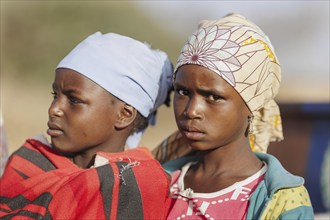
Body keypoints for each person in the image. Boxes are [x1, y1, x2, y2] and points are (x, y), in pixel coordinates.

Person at [0, 32, 173, 219]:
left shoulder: (134, 185)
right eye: (55, 95)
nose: (54, 109)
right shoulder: (30, 163)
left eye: (74, 100)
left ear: (124, 115)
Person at [162, 13, 314, 219]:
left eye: (213, 97)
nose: (191, 111)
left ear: (252, 105)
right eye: (183, 92)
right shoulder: (159, 182)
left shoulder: (282, 200)